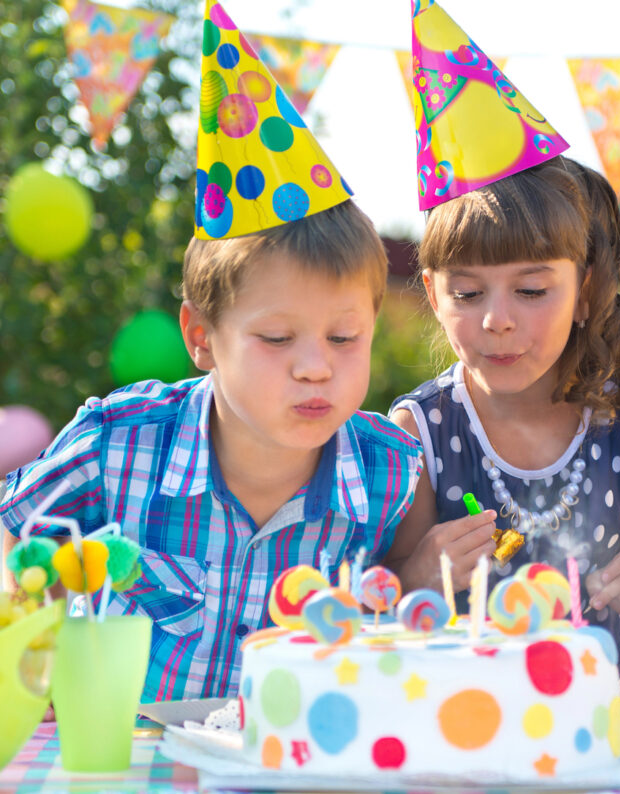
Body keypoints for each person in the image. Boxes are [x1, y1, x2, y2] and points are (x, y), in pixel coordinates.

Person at [0, 1, 420, 702]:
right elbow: (10, 535)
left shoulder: (387, 475)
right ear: (201, 338)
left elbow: (407, 614)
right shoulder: (117, 444)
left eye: (345, 338)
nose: (315, 365)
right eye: (278, 338)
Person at [385, 2, 620, 688]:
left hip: (593, 727)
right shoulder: (421, 431)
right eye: (468, 293)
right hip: (449, 723)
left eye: (531, 292)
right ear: (431, 290)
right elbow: (384, 606)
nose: (497, 321)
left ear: (586, 288)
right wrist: (420, 573)